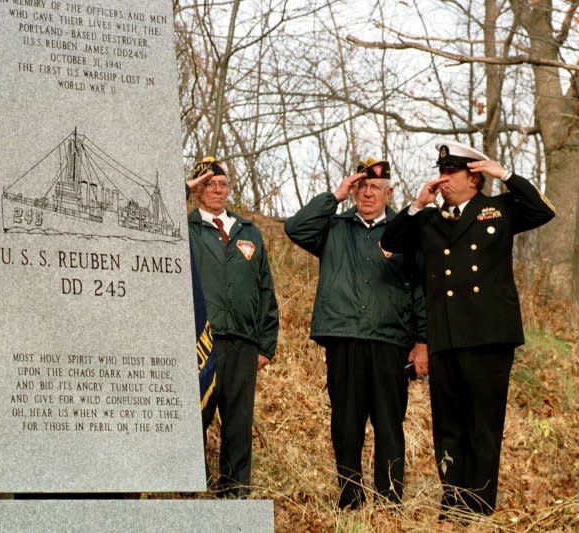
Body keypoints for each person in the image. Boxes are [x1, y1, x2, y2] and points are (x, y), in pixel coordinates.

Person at [381, 140, 555, 516]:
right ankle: (453, 500)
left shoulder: (498, 209)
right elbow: (390, 240)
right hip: (446, 337)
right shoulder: (428, 220)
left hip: (489, 336)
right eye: (440, 173)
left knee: (483, 423)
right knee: (449, 423)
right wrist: (417, 204)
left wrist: (504, 175)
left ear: (473, 177)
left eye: (450, 173)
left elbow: (543, 210)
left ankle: (479, 503)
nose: (442, 179)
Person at [284, 158, 428, 509]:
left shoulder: (406, 229)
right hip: (344, 337)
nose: (367, 193)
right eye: (361, 187)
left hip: (390, 341)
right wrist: (334, 196)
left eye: (375, 187)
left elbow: (421, 288)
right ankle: (350, 497)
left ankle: (390, 499)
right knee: (346, 423)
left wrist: (422, 341)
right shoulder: (334, 227)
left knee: (389, 423)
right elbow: (295, 229)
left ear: (389, 192)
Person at [186, 156, 279, 498]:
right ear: (197, 191)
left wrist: (266, 344)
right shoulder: (185, 230)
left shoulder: (248, 232)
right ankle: (192, 488)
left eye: (222, 184)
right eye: (208, 184)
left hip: (243, 342)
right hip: (201, 343)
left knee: (238, 423)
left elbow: (265, 288)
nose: (217, 190)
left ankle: (235, 492)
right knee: (197, 417)